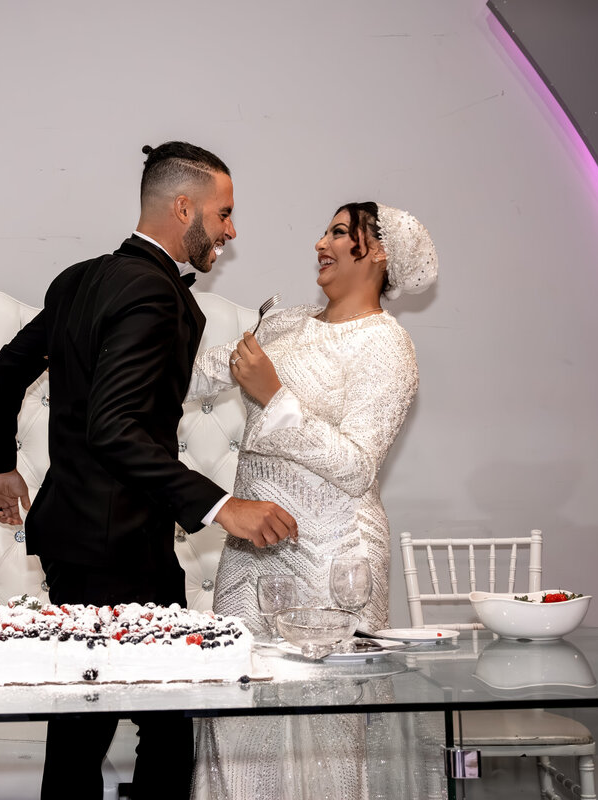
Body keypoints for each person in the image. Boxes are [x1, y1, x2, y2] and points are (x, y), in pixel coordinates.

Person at [0, 141, 299, 800]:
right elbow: (115, 428)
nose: (232, 230)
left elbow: (6, 369)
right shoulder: (152, 294)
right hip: (116, 543)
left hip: (74, 538)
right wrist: (221, 507)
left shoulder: (79, 278)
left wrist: (0, 464)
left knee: (97, 723)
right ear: (184, 208)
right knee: (157, 721)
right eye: (225, 213)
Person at [188, 201, 439, 800]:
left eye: (338, 233)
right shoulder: (283, 323)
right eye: (323, 231)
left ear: (375, 253)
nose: (320, 243)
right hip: (251, 548)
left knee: (324, 722)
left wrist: (274, 397)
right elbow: (196, 375)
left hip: (334, 559)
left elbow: (356, 465)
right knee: (237, 711)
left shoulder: (387, 346)